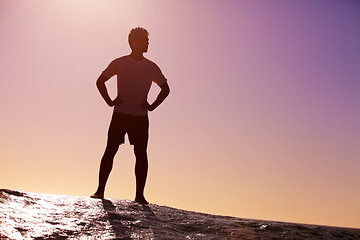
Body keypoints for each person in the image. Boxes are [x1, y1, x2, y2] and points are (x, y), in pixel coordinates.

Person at [91, 27, 170, 204]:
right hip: (120, 115)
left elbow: (166, 89)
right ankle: (100, 191)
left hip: (140, 118)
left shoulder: (151, 67)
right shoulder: (120, 63)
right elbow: (100, 81)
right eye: (144, 39)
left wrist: (152, 106)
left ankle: (139, 195)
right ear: (133, 42)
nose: (147, 42)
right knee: (110, 150)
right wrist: (110, 101)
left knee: (141, 154)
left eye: (147, 40)